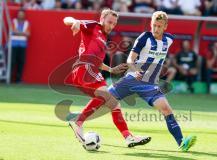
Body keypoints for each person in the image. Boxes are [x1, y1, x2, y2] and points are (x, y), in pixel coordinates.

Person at [108, 11, 197, 152]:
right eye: (153, 25)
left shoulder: (169, 40)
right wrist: (134, 68)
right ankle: (79, 121)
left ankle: (181, 142)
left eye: (159, 26)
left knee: (166, 109)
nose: (155, 29)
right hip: (133, 79)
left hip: (150, 85)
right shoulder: (144, 37)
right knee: (104, 99)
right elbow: (130, 58)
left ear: (165, 27)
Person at [64, 8, 151, 148]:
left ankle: (128, 137)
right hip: (84, 68)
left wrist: (110, 69)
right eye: (109, 22)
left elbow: (98, 61)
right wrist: (74, 22)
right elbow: (67, 19)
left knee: (114, 103)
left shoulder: (103, 37)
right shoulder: (93, 26)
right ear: (102, 19)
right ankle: (78, 122)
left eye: (114, 24)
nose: (111, 26)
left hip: (89, 70)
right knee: (108, 96)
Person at [11, 9, 30, 83]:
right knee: (12, 62)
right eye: (19, 14)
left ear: (24, 15)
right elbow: (13, 31)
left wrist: (17, 32)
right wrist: (23, 33)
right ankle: (10, 79)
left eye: (22, 14)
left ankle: (18, 80)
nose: (20, 15)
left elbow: (28, 34)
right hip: (13, 44)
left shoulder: (27, 23)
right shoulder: (14, 21)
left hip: (23, 45)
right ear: (17, 14)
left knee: (21, 62)